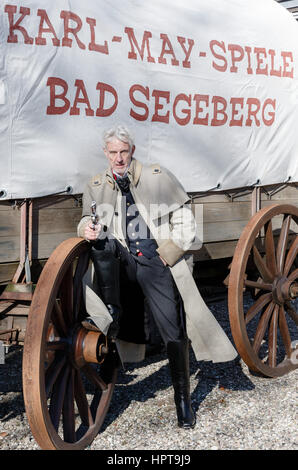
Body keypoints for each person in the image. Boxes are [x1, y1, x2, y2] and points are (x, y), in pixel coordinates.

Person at [77, 124, 237, 429]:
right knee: (102, 243)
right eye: (113, 153)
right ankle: (113, 313)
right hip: (122, 261)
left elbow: (186, 221)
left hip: (155, 259)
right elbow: (88, 217)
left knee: (173, 329)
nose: (119, 158)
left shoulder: (157, 176)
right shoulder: (96, 185)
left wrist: (169, 254)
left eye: (124, 151)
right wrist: (87, 228)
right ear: (105, 153)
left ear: (132, 151)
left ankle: (183, 401)